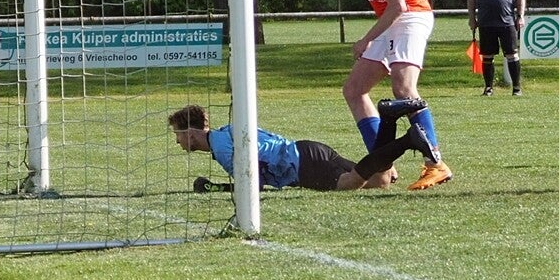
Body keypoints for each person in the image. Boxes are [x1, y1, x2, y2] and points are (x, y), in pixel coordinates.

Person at [260, 0, 453, 190]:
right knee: (354, 89)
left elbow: (398, 5)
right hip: (392, 19)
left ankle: (435, 164)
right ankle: (381, 163)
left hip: (411, 15)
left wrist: (366, 39)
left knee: (404, 89)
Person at [168, 98, 434, 192]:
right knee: (380, 180)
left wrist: (219, 188)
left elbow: (253, 184)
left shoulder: (222, 149)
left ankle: (408, 140)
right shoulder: (230, 129)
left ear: (190, 134)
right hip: (307, 149)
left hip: (303, 166)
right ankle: (387, 118)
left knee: (350, 183)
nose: (177, 141)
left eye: (177, 135)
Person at [468, 0, 526, 96]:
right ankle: (488, 88)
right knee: (487, 56)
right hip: (486, 22)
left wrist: (520, 15)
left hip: (507, 21)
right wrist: (472, 17)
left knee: (512, 55)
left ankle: (516, 88)